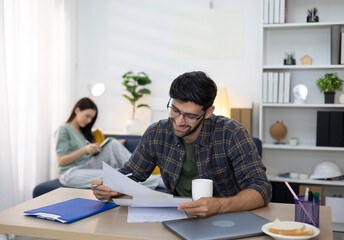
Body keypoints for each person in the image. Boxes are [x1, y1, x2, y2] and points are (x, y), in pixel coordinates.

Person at [92, 71, 272, 217]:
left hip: (228, 217)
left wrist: (219, 206)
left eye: (190, 116)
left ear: (208, 112)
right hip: (179, 216)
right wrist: (108, 187)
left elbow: (261, 188)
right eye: (175, 110)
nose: (179, 121)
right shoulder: (157, 133)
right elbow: (130, 175)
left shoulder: (232, 133)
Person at [55, 97, 160, 189]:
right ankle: (158, 180)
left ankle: (140, 169)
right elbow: (61, 161)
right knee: (115, 175)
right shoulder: (64, 129)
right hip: (70, 173)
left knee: (112, 144)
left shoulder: (82, 131)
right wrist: (85, 150)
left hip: (86, 165)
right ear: (77, 110)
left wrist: (95, 149)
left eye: (91, 118)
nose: (89, 120)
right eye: (87, 116)